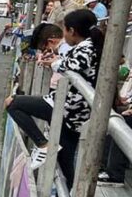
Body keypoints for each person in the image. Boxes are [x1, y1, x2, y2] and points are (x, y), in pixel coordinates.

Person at [5, 9, 103, 184]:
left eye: (64, 29)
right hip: (74, 108)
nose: (63, 34)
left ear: (72, 30)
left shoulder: (86, 48)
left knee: (13, 103)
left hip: (68, 106)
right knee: (66, 158)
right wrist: (57, 60)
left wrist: (56, 63)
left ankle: (43, 145)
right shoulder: (88, 46)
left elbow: (74, 65)